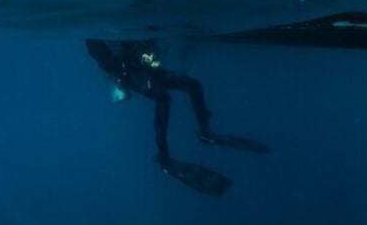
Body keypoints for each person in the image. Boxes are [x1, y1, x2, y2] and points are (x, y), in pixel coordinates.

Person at [86, 39, 269, 196]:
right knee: (163, 97)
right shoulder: (101, 42)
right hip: (129, 72)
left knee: (193, 85)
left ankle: (205, 131)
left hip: (143, 69)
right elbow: (103, 56)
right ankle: (164, 155)